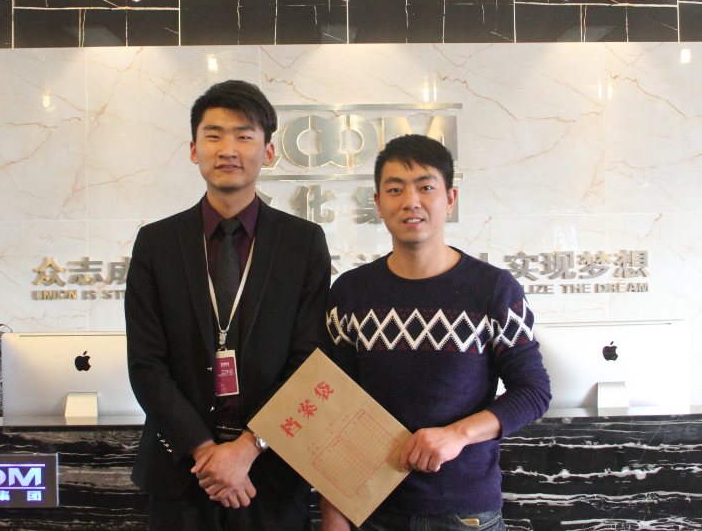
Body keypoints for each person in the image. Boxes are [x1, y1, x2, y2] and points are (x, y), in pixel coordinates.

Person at [125, 80, 331, 531]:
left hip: (271, 474)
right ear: (193, 150)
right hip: (182, 473)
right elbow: (146, 363)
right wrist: (205, 452)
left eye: (244, 135)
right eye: (213, 135)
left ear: (269, 152)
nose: (228, 149)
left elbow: (309, 361)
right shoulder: (157, 243)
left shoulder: (302, 243)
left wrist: (247, 449)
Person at [322, 135, 551, 531]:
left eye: (426, 187)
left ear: (450, 199)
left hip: (465, 513)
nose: (411, 201)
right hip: (370, 509)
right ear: (378, 203)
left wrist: (457, 435)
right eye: (395, 189)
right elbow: (332, 407)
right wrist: (333, 514)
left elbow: (533, 392)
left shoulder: (494, 290)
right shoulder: (350, 292)